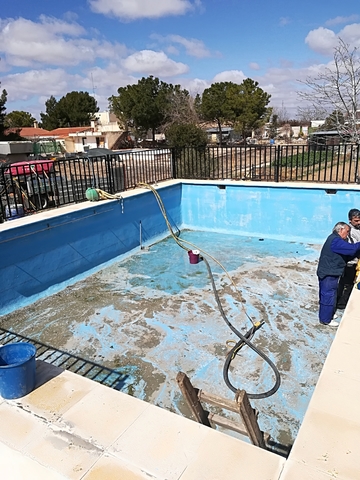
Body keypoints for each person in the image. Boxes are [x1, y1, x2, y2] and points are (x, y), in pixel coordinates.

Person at [317, 222, 360, 327]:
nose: (348, 235)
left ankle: (328, 312)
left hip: (330, 271)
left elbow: (348, 254)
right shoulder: (336, 241)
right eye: (347, 232)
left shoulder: (334, 239)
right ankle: (325, 319)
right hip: (329, 273)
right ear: (340, 230)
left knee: (330, 294)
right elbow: (351, 249)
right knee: (328, 295)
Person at [337, 209, 360, 309]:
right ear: (350, 220)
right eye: (356, 221)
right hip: (350, 262)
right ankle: (341, 303)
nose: (359, 222)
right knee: (347, 284)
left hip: (357, 261)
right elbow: (352, 247)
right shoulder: (348, 231)